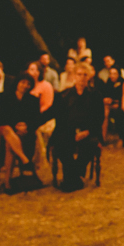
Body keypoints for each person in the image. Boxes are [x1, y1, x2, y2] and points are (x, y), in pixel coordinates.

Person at [48, 62, 102, 192]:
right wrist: (72, 134)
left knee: (90, 144)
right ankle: (75, 177)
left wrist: (87, 131)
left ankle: (72, 176)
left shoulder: (95, 95)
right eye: (79, 74)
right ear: (74, 76)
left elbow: (99, 118)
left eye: (85, 75)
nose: (82, 77)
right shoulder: (65, 95)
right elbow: (60, 119)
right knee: (61, 143)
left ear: (88, 77)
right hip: (67, 131)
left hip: (88, 131)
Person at [0, 75, 43, 191]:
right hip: (2, 132)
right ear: (17, 82)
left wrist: (27, 126)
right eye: (23, 82)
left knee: (10, 145)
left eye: (28, 84)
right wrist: (14, 126)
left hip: (22, 134)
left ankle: (7, 183)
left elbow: (37, 119)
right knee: (7, 130)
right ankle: (25, 159)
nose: (25, 86)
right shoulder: (5, 97)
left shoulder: (33, 100)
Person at [101, 67, 124, 141]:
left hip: (121, 104)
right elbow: (106, 94)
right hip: (110, 104)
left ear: (118, 74)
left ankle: (121, 137)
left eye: (114, 73)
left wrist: (113, 100)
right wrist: (106, 99)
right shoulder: (109, 82)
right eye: (111, 73)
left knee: (107, 110)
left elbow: (122, 96)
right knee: (105, 111)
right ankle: (103, 137)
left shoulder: (123, 82)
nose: (112, 75)